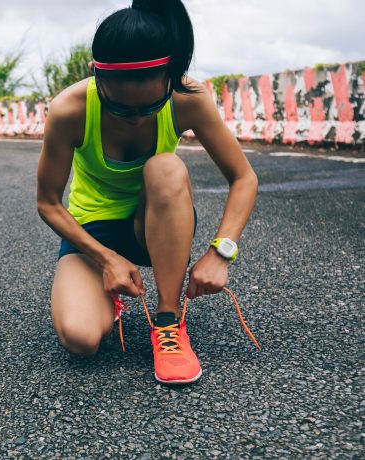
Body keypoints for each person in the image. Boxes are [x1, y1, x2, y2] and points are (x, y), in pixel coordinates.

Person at [36, 0, 259, 385]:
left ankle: (168, 321)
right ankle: (112, 294)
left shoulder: (187, 99)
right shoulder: (68, 109)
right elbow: (48, 202)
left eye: (151, 106)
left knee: (166, 167)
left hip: (153, 223)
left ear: (170, 78)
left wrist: (220, 252)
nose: (137, 118)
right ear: (96, 76)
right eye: (119, 107)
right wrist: (106, 259)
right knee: (80, 339)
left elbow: (243, 178)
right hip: (93, 231)